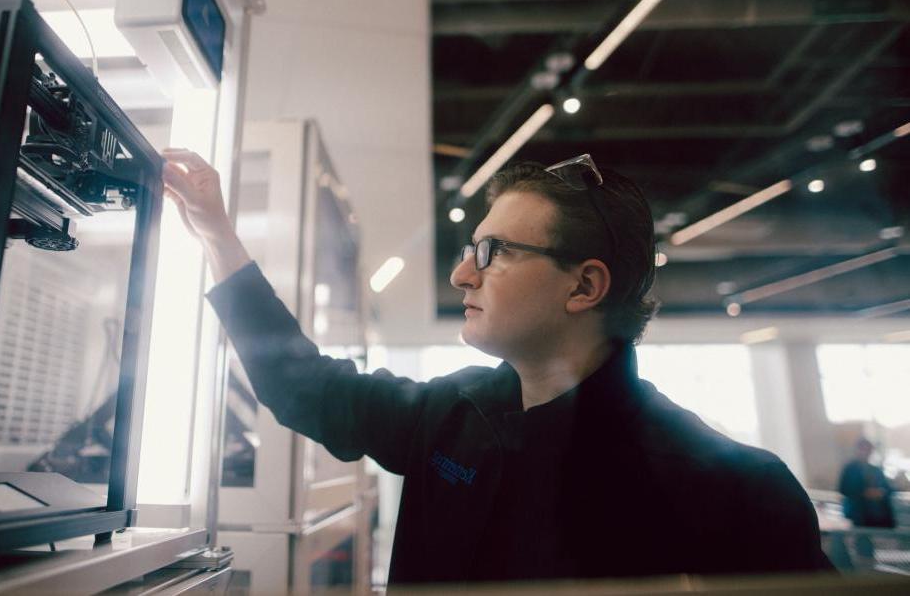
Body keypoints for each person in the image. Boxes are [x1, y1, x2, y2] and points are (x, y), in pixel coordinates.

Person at [161, 149, 833, 585]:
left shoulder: (736, 490)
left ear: (584, 286)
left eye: (492, 252)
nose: (460, 274)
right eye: (468, 250)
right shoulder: (451, 415)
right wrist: (219, 237)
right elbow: (302, 386)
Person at [839, 438, 896, 529]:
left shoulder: (876, 470)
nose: (865, 452)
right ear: (857, 450)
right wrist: (864, 493)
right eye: (862, 449)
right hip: (858, 514)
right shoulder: (849, 469)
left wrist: (881, 492)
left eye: (868, 449)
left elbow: (889, 489)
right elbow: (843, 488)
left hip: (879, 515)